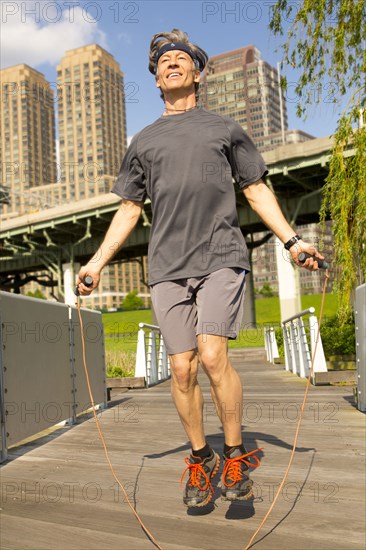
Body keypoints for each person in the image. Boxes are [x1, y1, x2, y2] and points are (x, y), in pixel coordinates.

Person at [76, 29, 325, 508]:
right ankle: (200, 459)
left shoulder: (225, 129)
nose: (170, 63)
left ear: (197, 72)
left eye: (179, 58)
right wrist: (95, 263)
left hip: (220, 256)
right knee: (181, 368)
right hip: (167, 265)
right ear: (156, 81)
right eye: (162, 61)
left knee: (212, 357)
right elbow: (129, 209)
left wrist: (292, 242)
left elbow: (255, 189)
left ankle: (234, 454)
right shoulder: (143, 142)